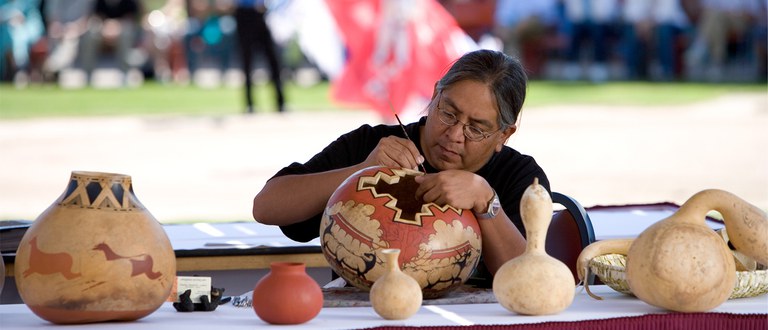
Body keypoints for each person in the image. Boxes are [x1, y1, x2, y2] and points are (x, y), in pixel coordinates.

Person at [252, 49, 550, 285]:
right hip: (367, 314)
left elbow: (530, 281)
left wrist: (486, 202)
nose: (454, 135)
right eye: (448, 113)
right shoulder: (373, 144)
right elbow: (266, 207)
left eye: (476, 129)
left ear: (504, 134)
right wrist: (362, 170)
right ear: (434, 96)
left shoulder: (520, 177)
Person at [234, 0, 285, 113]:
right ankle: (249, 104)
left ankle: (281, 102)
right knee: (247, 62)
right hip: (244, 15)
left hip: (262, 14)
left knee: (273, 61)